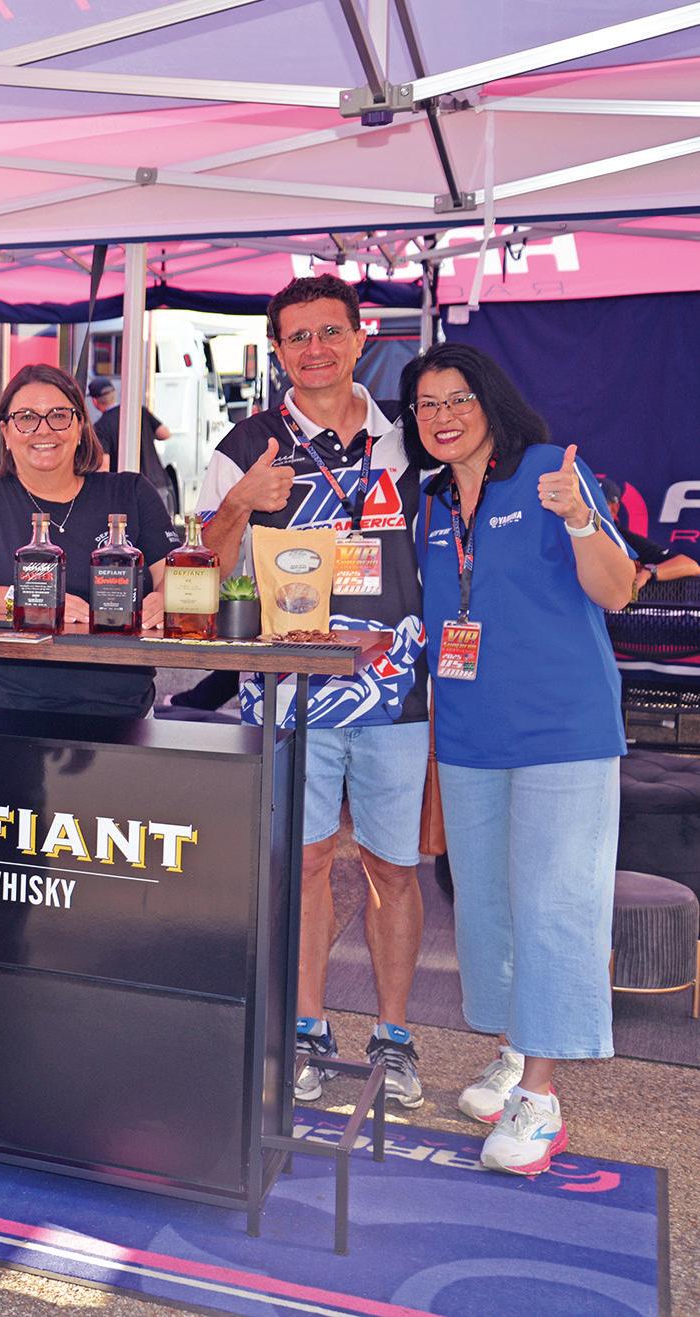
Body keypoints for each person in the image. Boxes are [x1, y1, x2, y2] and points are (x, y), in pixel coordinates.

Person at [197, 274, 430, 1112]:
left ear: (361, 338)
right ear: (275, 351)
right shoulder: (245, 444)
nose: (315, 349)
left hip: (393, 691)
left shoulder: (409, 437)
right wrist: (239, 501)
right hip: (285, 692)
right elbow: (202, 568)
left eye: (330, 331)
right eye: (297, 336)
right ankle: (304, 1027)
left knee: (392, 867)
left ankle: (394, 1035)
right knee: (301, 863)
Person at [403, 342, 633, 1175]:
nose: (442, 417)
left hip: (562, 731)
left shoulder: (547, 474)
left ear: (489, 401)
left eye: (456, 399)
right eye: (426, 405)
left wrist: (578, 518)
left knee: (554, 905)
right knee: (488, 909)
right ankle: (514, 1049)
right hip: (471, 736)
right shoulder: (429, 502)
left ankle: (540, 1095)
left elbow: (617, 589)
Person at [0, 363, 173, 716]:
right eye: (26, 418)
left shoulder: (130, 492)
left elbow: (172, 575)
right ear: (6, 432)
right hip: (4, 709)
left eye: (59, 416)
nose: (43, 429)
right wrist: (29, 600)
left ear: (80, 426)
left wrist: (164, 598)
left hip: (121, 708)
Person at [88, 377, 169, 496]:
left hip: (128, 489)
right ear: (114, 394)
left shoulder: (101, 426)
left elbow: (104, 466)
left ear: (95, 401)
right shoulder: (140, 412)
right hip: (156, 482)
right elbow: (165, 433)